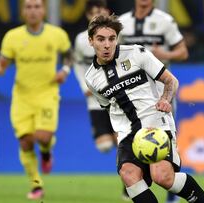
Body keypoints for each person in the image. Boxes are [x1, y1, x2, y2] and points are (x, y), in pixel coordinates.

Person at [85, 14, 204, 203]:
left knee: (163, 177)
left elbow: (170, 81)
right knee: (128, 175)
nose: (107, 45)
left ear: (117, 39)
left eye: (112, 38)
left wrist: (165, 99)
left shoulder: (136, 53)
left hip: (156, 124)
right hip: (128, 133)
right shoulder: (91, 78)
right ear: (91, 41)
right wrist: (118, 131)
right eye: (101, 39)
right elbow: (108, 107)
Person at [0, 0, 73, 200]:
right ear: (23, 11)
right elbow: (3, 62)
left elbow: (69, 55)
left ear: (43, 10)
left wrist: (65, 70)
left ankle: (46, 153)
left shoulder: (57, 34)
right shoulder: (12, 37)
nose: (33, 11)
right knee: (26, 142)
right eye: (29, 7)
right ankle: (36, 185)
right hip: (22, 97)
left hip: (47, 93)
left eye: (37, 6)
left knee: (43, 137)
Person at [118, 1, 189, 202]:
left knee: (164, 138)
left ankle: (170, 184)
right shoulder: (122, 22)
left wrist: (163, 55)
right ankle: (135, 179)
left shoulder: (164, 21)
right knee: (127, 138)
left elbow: (183, 52)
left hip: (160, 92)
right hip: (131, 94)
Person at [73, 0, 129, 200]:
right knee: (105, 145)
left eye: (101, 12)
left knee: (121, 142)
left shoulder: (116, 37)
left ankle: (129, 181)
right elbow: (78, 64)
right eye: (93, 12)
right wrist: (84, 86)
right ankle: (131, 164)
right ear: (88, 15)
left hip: (116, 98)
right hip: (94, 100)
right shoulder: (81, 40)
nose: (97, 16)